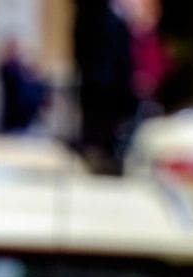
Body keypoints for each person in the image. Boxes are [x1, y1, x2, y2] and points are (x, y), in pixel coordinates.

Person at [73, 0, 136, 174]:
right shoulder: (93, 11)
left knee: (112, 123)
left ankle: (108, 155)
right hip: (100, 81)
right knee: (98, 122)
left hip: (116, 82)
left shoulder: (118, 16)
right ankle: (98, 155)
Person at [0, 38, 49, 134]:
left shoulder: (20, 69)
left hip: (24, 121)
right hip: (15, 121)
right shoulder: (9, 69)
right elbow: (24, 91)